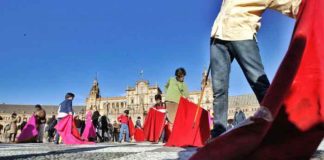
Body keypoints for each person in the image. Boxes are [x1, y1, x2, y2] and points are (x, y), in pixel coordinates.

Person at [209, 0, 301, 136]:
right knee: (219, 89)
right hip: (217, 38)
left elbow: (292, 5)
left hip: (242, 35)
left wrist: (312, 7)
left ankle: (277, 127)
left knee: (258, 82)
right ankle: (218, 134)